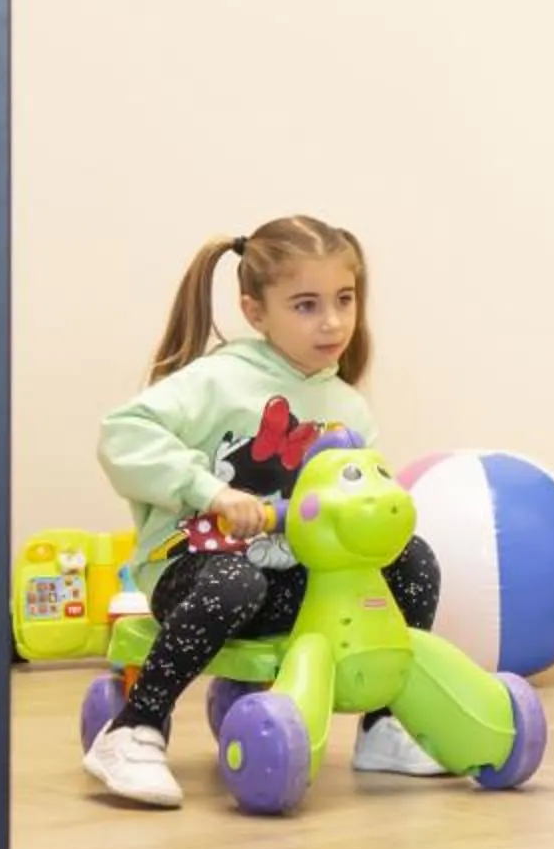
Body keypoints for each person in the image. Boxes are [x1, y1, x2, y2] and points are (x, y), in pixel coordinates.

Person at [86, 216, 447, 808]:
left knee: (412, 562)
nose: (332, 322)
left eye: (344, 300)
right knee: (237, 578)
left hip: (289, 577)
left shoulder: (348, 408)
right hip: (196, 568)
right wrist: (212, 493)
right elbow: (123, 432)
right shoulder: (220, 378)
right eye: (305, 305)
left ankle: (383, 725)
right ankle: (133, 727)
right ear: (256, 312)